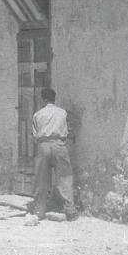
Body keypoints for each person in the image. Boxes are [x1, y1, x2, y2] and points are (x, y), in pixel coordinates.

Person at [31, 87, 78, 221]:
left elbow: (34, 135)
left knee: (41, 180)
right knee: (65, 178)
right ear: (54, 99)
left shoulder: (37, 114)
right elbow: (69, 129)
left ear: (43, 99)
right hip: (59, 145)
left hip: (43, 145)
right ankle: (70, 211)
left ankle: (39, 211)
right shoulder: (63, 113)